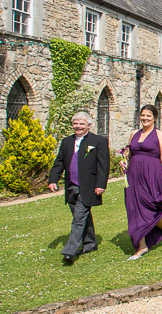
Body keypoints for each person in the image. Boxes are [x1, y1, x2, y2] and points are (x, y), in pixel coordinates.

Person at [48, 111, 109, 264]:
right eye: (75, 123)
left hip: (88, 187)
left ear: (89, 125)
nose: (78, 126)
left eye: (81, 124)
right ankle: (90, 244)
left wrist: (100, 185)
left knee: (78, 219)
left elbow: (103, 165)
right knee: (82, 216)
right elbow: (59, 162)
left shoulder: (98, 141)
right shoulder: (67, 142)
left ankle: (70, 251)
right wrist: (53, 179)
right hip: (71, 186)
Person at [122, 105, 162, 260]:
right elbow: (131, 155)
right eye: (143, 115)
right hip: (134, 176)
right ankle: (141, 246)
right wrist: (125, 163)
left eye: (148, 116)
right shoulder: (134, 133)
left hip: (152, 175)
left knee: (153, 207)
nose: (145, 118)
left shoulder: (160, 135)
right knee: (134, 209)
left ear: (154, 118)